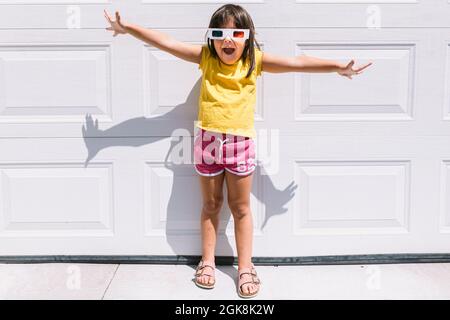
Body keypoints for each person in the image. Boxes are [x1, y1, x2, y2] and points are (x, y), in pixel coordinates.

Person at [104, 4, 372, 299]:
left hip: (240, 145)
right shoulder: (205, 58)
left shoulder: (254, 61)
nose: (227, 40)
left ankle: (245, 267)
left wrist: (338, 67)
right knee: (210, 205)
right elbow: (167, 43)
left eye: (236, 33)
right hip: (206, 143)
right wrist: (127, 28)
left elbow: (297, 62)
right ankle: (207, 262)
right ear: (212, 38)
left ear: (247, 36)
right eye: (219, 33)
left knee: (241, 208)